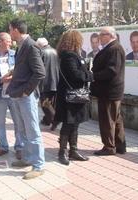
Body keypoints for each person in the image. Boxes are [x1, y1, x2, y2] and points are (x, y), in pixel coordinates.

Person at [6, 18, 45, 180]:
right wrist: (14, 71)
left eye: (10, 30)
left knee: (32, 131)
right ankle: (28, 159)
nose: (9, 33)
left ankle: (38, 165)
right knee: (22, 130)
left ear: (15, 30)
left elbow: (40, 72)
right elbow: (26, 68)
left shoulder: (31, 45)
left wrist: (26, 92)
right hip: (17, 94)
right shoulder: (22, 45)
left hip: (25, 96)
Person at [54, 30, 93, 165]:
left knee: (74, 124)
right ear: (75, 41)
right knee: (68, 124)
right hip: (70, 97)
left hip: (71, 96)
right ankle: (62, 152)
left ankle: (73, 150)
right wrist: (90, 75)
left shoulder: (69, 55)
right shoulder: (69, 56)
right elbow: (76, 75)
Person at [90, 27, 126, 155]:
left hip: (109, 91)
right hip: (110, 91)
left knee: (107, 120)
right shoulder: (111, 48)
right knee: (115, 119)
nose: (99, 37)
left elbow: (111, 70)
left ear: (110, 35)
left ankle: (109, 147)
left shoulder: (114, 49)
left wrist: (94, 75)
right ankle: (119, 146)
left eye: (102, 34)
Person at [36, 37, 59, 129]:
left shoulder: (41, 52)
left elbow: (38, 67)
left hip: (44, 82)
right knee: (50, 102)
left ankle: (54, 119)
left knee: (45, 103)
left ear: (40, 45)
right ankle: (47, 120)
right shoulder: (56, 51)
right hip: (55, 80)